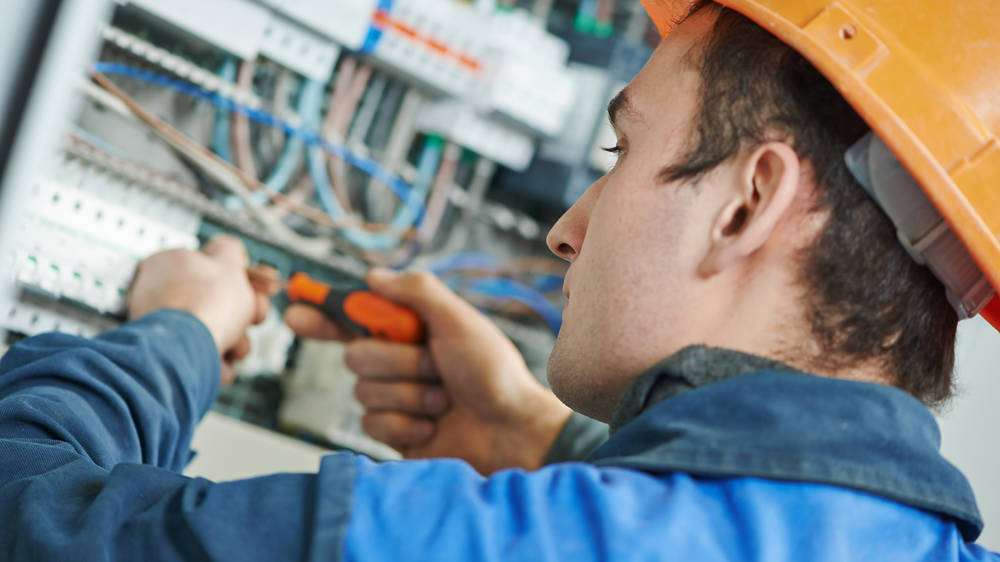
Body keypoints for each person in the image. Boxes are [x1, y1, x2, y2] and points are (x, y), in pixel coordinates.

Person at [1, 1, 998, 560]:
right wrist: (541, 440)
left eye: (621, 152)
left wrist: (172, 337)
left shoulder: (467, 544)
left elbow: (26, 517)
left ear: (748, 202)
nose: (566, 233)